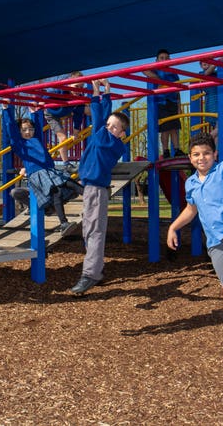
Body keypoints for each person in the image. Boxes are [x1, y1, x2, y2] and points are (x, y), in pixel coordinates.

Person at [166, 132, 223, 363]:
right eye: (197, 154)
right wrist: (173, 227)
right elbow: (191, 210)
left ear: (215, 155)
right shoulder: (190, 183)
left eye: (207, 153)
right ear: (190, 158)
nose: (202, 158)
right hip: (217, 241)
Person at [70, 79, 129, 295]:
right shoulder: (101, 135)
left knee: (94, 231)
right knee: (88, 229)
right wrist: (100, 93)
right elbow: (100, 119)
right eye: (109, 125)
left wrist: (102, 95)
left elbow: (99, 118)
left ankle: (91, 274)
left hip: (95, 189)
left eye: (116, 127)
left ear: (121, 133)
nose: (110, 127)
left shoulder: (112, 143)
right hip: (89, 188)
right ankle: (97, 269)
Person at [2, 102, 83, 235]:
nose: (28, 132)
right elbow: (11, 128)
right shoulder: (19, 144)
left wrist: (34, 112)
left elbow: (38, 127)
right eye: (24, 130)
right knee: (56, 192)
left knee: (70, 182)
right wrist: (6, 110)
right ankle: (63, 223)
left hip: (50, 170)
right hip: (38, 173)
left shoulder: (37, 138)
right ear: (19, 132)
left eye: (30, 129)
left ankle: (93, 195)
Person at [44, 71, 89, 173]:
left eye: (81, 87)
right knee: (63, 138)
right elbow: (46, 94)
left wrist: (76, 131)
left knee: (85, 109)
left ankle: (103, 120)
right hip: (52, 114)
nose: (78, 90)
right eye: (76, 86)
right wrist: (41, 101)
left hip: (65, 112)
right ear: (69, 84)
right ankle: (66, 164)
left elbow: (78, 115)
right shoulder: (60, 91)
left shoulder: (79, 98)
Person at [144, 49, 183, 158]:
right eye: (162, 58)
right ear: (156, 60)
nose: (164, 60)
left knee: (174, 128)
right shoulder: (156, 70)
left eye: (166, 58)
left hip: (173, 102)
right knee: (165, 129)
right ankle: (166, 151)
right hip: (162, 102)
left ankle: (177, 149)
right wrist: (159, 79)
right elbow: (144, 70)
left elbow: (177, 89)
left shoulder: (173, 73)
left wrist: (179, 106)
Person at [199, 58, 223, 147]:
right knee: (220, 126)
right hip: (212, 103)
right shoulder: (202, 74)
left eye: (208, 62)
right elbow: (207, 73)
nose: (206, 64)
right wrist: (216, 63)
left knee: (219, 128)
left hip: (221, 101)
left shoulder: (217, 74)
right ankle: (205, 140)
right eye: (203, 63)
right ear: (201, 66)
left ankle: (216, 152)